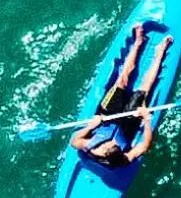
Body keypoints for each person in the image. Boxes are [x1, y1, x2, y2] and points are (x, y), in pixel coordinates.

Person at [71, 25, 174, 168]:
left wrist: (91, 126)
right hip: (127, 125)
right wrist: (146, 118)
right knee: (144, 89)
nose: (114, 144)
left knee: (122, 80)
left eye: (112, 145)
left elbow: (75, 141)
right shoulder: (123, 159)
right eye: (116, 146)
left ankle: (138, 42)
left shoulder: (91, 147)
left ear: (104, 148)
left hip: (106, 118)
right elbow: (145, 146)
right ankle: (159, 53)